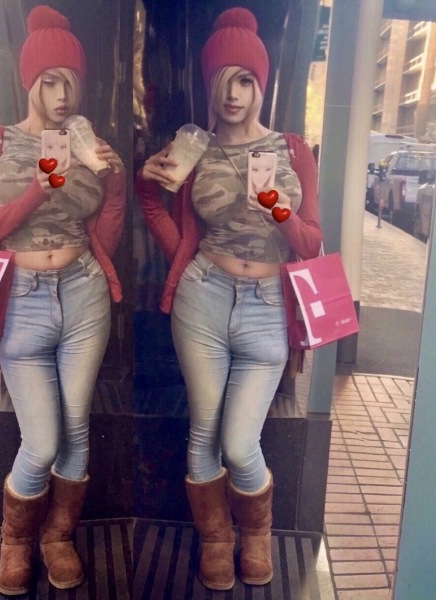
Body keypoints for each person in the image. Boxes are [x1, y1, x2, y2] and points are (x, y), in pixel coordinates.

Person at [135, 7, 322, 591]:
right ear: (210, 86)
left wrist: (279, 209)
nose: (234, 94)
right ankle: (216, 539)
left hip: (268, 308)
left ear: (261, 83)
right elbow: (164, 222)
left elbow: (312, 244)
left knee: (240, 444)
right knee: (203, 430)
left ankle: (256, 534)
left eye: (245, 80)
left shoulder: (293, 150)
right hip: (204, 299)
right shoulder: (195, 150)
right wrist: (148, 190)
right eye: (223, 81)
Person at [0, 5, 125, 595]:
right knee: (41, 440)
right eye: (51, 81)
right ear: (30, 81)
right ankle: (16, 541)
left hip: (83, 292)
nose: (62, 96)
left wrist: (114, 184)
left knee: (77, 426)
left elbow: (105, 237)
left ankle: (58, 537)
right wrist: (38, 188)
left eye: (70, 84)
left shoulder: (87, 144)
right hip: (22, 302)